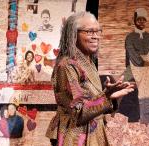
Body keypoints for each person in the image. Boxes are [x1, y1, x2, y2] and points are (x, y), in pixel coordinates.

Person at [45, 11, 134, 146]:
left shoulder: (88, 62)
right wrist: (106, 97)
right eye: (90, 32)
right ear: (73, 34)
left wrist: (111, 97)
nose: (96, 36)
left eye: (98, 31)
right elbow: (78, 112)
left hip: (92, 135)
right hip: (75, 138)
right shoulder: (67, 66)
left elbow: (94, 103)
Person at [119, 8, 149, 122]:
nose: (141, 22)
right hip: (133, 68)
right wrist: (145, 61)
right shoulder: (130, 37)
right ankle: (122, 117)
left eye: (144, 20)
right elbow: (133, 56)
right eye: (139, 19)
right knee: (121, 86)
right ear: (135, 20)